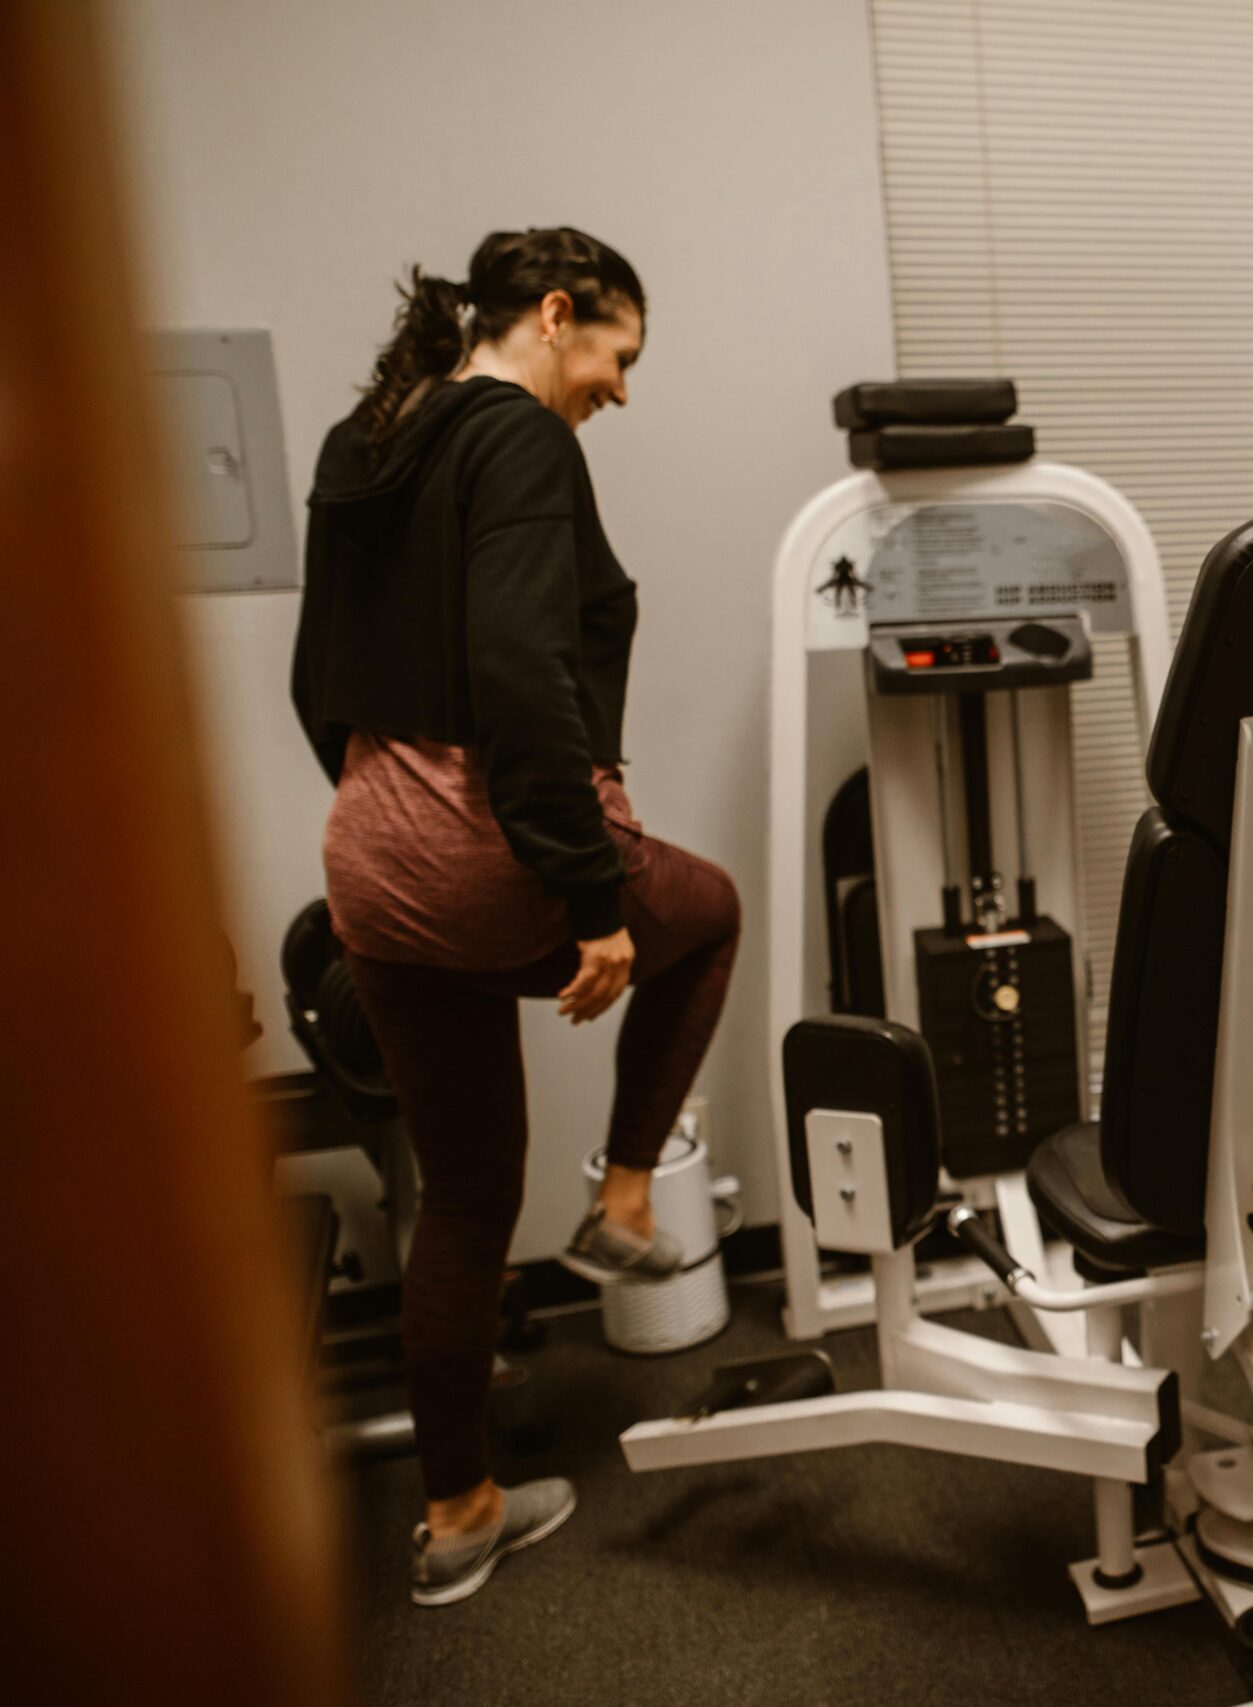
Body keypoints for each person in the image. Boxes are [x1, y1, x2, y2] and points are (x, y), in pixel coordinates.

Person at [291, 227, 743, 1607]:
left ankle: (458, 1517)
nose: (621, 388)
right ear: (556, 316)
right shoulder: (522, 442)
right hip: (497, 838)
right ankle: (618, 1202)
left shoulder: (371, 438)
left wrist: (396, 823)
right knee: (706, 917)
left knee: (465, 1192)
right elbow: (519, 670)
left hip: (367, 852)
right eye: (619, 355)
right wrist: (592, 901)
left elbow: (322, 675)